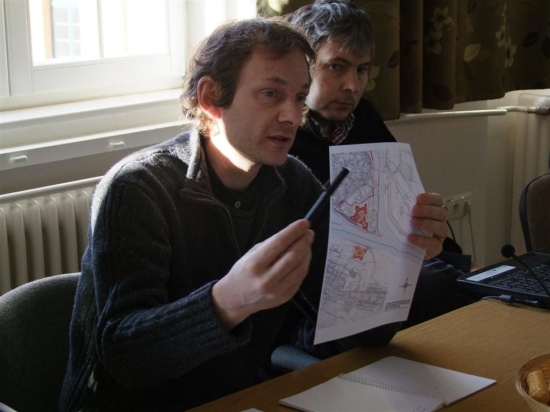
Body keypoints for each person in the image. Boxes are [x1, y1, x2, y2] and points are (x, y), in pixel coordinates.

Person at [58, 18, 449, 411]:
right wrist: (229, 300)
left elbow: (362, 333)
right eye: (270, 94)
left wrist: (397, 260)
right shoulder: (137, 188)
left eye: (299, 97)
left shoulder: (294, 184)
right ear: (211, 98)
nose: (292, 117)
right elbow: (123, 356)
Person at [284, 0, 478, 326]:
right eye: (336, 67)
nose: (353, 85)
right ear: (303, 66)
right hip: (316, 298)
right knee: (439, 286)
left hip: (385, 273)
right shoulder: (284, 137)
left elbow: (405, 215)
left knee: (468, 287)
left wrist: (461, 264)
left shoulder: (363, 117)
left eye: (362, 69)